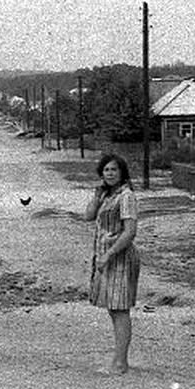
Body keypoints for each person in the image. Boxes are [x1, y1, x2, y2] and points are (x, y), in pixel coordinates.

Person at [83, 153, 140, 375]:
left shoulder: (126, 196)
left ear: (122, 172)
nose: (110, 174)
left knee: (120, 309)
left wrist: (109, 255)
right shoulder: (107, 195)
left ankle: (121, 362)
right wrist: (97, 197)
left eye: (114, 170)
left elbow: (130, 232)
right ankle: (119, 358)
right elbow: (88, 216)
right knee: (113, 308)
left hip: (120, 257)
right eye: (106, 170)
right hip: (105, 257)